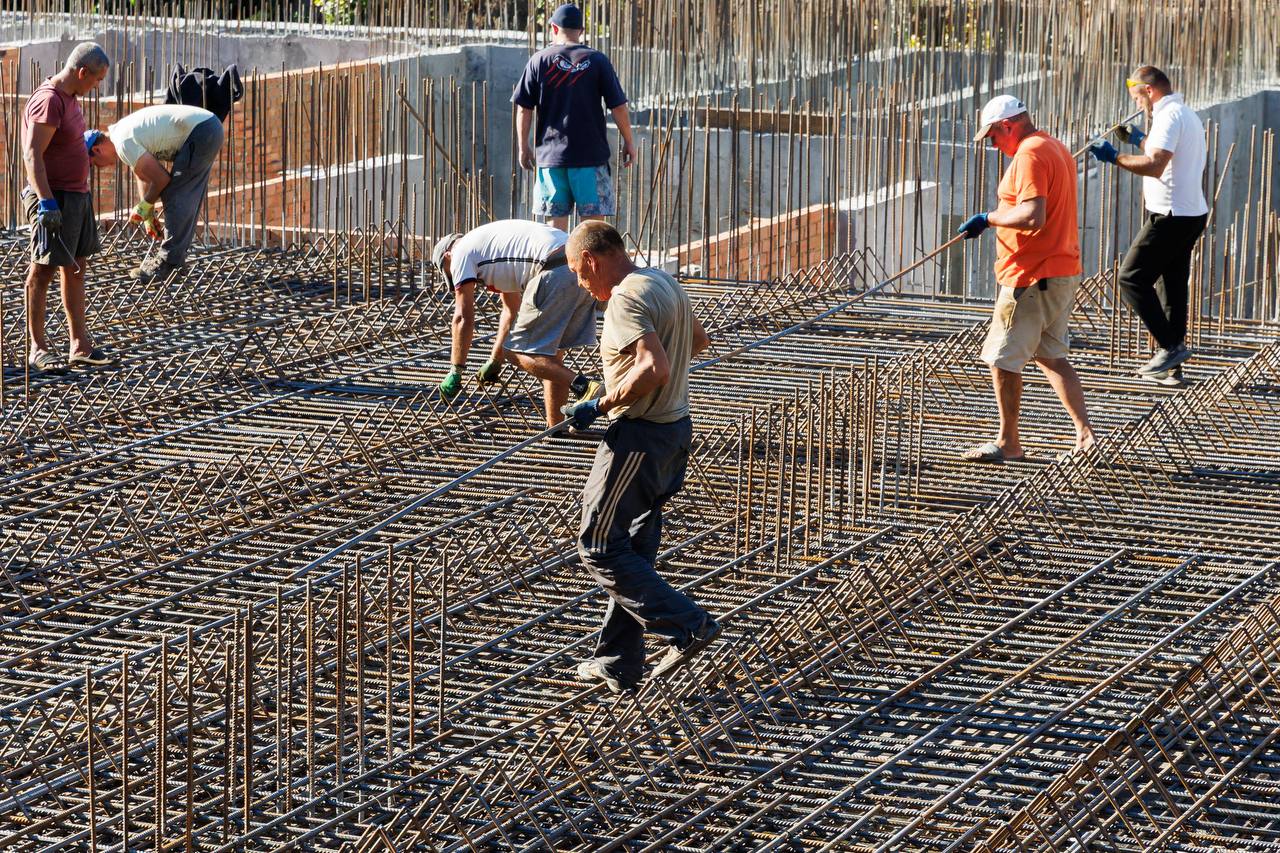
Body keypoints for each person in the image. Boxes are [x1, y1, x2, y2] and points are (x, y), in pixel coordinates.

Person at [560, 221, 720, 694]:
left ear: (589, 260)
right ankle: (619, 662)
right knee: (632, 548)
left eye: (577, 273)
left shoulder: (625, 298)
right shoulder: (662, 281)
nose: (580, 284)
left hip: (639, 439)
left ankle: (687, 624)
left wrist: (601, 403)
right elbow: (697, 340)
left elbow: (654, 367)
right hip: (675, 431)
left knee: (599, 545)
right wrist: (623, 378)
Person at [957, 95, 1095, 463]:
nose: (993, 145)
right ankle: (1086, 436)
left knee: (1002, 359)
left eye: (993, 136)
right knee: (1051, 356)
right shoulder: (1054, 146)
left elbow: (1033, 215)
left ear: (1007, 125)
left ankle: (1009, 444)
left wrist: (988, 218)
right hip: (1059, 271)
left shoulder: (1031, 153)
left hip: (1031, 276)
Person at [1089, 66, 1208, 385]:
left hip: (1170, 215)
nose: (1137, 104)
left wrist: (1114, 157)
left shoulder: (1168, 117)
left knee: (1131, 278)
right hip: (1190, 213)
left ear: (1150, 91)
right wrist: (1139, 139)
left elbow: (1156, 165)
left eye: (1137, 98)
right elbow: (1164, 151)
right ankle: (1172, 367)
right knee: (1172, 287)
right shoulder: (1185, 114)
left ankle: (1170, 347)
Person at [431, 220, 602, 428]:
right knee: (550, 358)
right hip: (578, 264)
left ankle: (585, 387)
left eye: (448, 272)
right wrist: (494, 361)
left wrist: (456, 370)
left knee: (515, 351)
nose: (454, 276)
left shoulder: (460, 252)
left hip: (553, 270)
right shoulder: (492, 247)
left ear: (447, 256)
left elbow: (462, 317)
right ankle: (556, 428)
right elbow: (511, 312)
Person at [21, 42, 112, 372]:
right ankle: (37, 348)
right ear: (82, 72)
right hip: (55, 197)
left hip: (75, 196)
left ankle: (79, 345)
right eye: (97, 79)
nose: (97, 86)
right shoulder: (49, 100)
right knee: (42, 269)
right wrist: (46, 201)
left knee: (75, 267)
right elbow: (32, 154)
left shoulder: (70, 98)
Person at [511, 3, 636, 232]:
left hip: (551, 160)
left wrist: (523, 146)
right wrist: (629, 141)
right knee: (593, 233)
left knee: (555, 234)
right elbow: (618, 107)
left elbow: (523, 108)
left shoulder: (539, 60)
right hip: (590, 159)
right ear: (581, 30)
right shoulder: (597, 61)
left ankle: (560, 258)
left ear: (553, 28)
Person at [87, 103, 226, 285]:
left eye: (94, 164)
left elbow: (161, 179)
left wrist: (143, 205)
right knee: (183, 193)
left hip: (201, 131)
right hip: (207, 128)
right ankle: (176, 261)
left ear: (97, 150)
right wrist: (148, 214)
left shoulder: (123, 143)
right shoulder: (121, 135)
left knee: (176, 194)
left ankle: (168, 262)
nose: (100, 167)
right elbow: (143, 175)